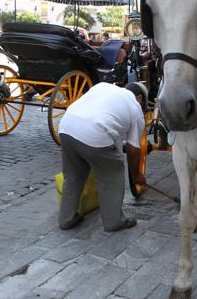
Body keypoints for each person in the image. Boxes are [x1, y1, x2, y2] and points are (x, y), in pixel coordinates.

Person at [58, 82, 148, 232]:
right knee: (112, 174)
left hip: (66, 127)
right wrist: (137, 175)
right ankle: (114, 221)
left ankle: (66, 219)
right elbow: (133, 149)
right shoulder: (136, 109)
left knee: (73, 176)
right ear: (139, 98)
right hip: (96, 134)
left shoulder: (104, 86)